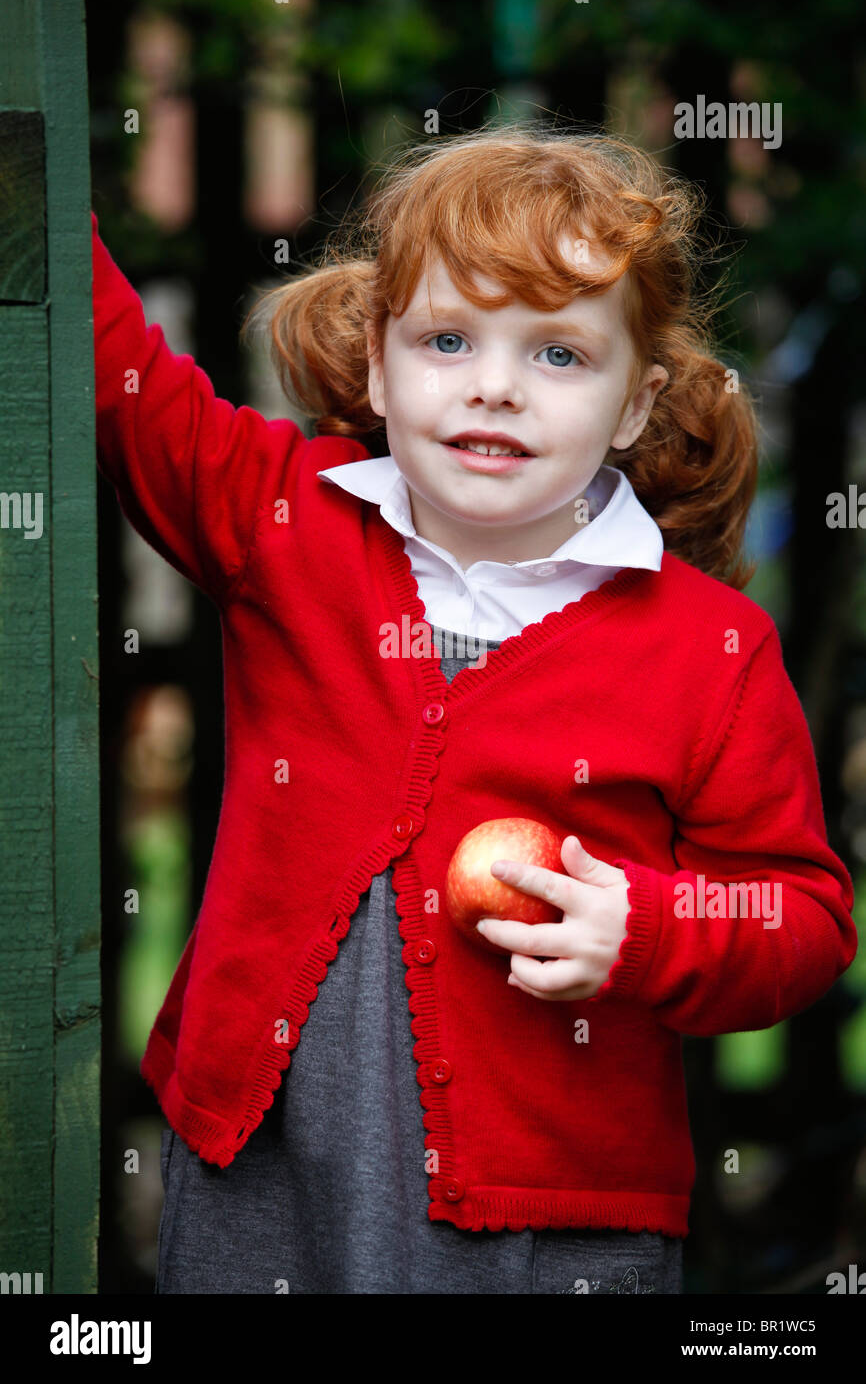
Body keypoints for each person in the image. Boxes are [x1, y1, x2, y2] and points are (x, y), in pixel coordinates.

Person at [90, 124, 857, 1295]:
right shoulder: (283, 523)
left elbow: (798, 921)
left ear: (633, 404)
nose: (493, 384)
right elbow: (126, 381)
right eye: (447, 338)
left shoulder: (708, 648)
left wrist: (641, 930)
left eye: (557, 354)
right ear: (380, 368)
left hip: (548, 1224)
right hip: (262, 1176)